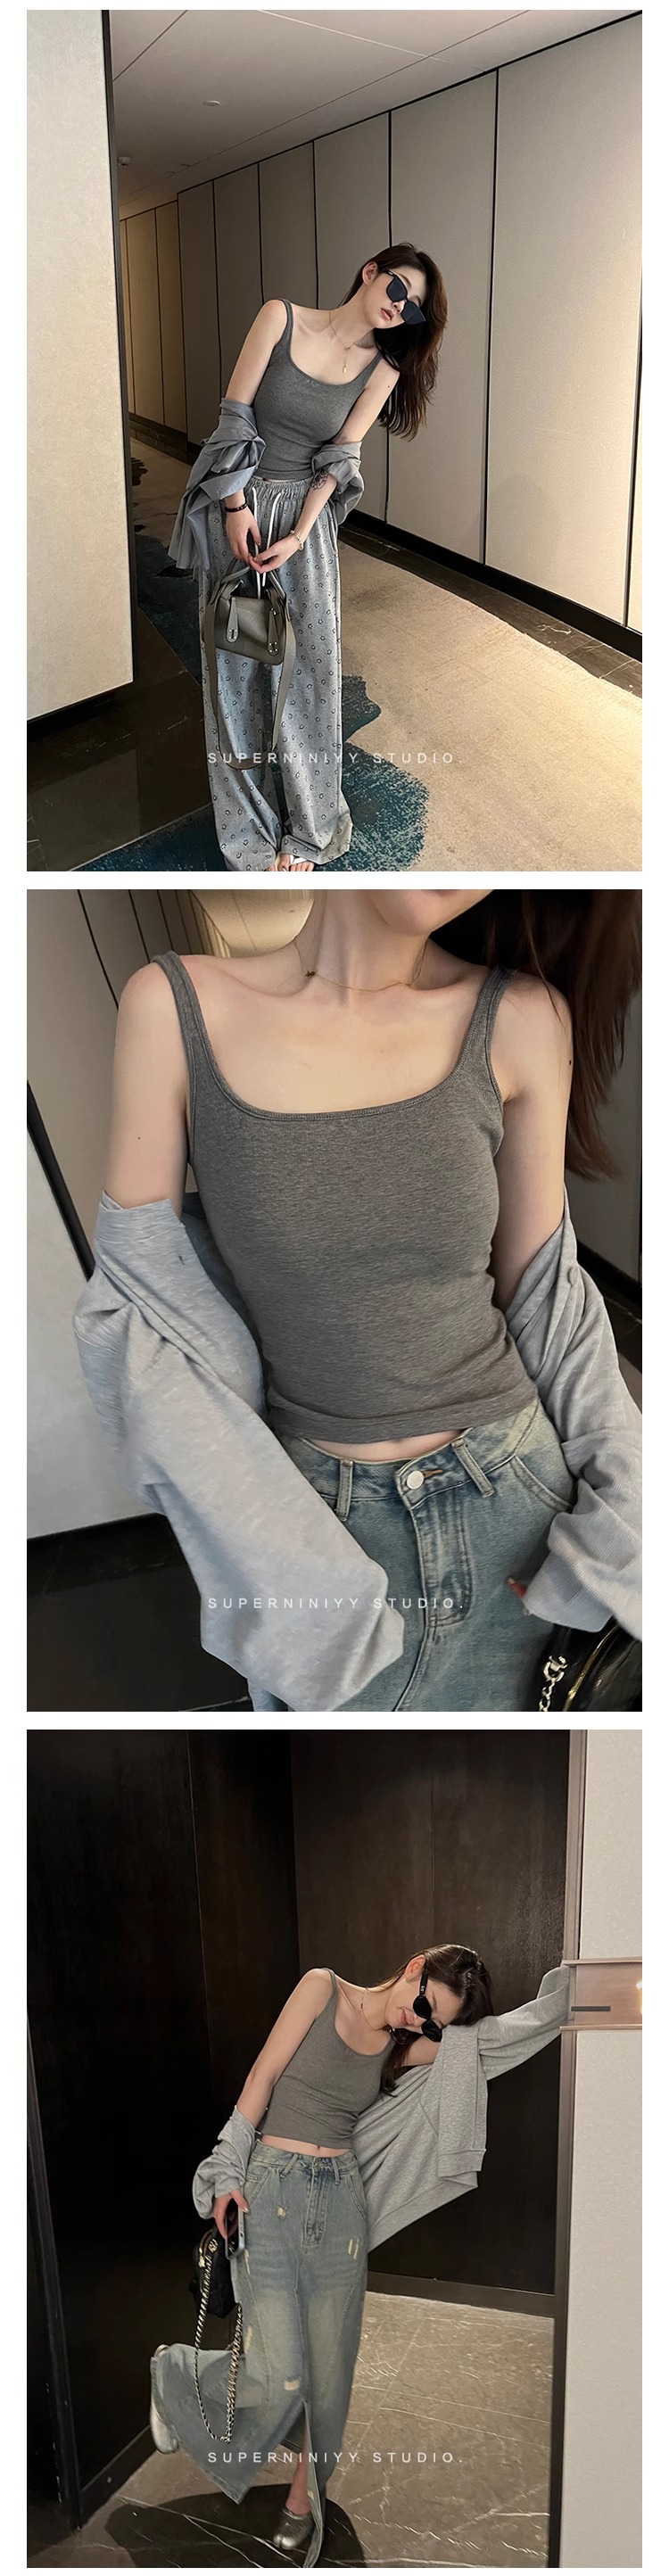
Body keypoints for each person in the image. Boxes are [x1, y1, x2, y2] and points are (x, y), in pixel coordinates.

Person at [103, 888, 641, 1713]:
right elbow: (140, 1320)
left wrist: (630, 1518)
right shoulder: (172, 1008)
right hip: (316, 1529)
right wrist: (288, 1569)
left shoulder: (524, 1018)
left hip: (518, 1513)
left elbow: (549, 1301)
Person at [149, 1947, 494, 2563]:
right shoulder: (321, 1988)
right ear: (415, 1966)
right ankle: (176, 2373)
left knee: (330, 2376)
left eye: (434, 2022)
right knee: (279, 2374)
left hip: (341, 2209)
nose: (420, 2021)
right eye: (424, 2004)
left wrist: (559, 2010)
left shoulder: (401, 2047)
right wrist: (227, 2170)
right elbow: (261, 2079)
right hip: (272, 2190)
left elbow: (483, 2045)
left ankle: (302, 2501)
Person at [168, 248, 447, 872]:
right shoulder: (280, 317)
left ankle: (312, 830)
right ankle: (249, 840)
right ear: (372, 271)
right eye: (398, 289)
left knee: (309, 676)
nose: (399, 308)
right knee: (234, 678)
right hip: (237, 508)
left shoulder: (383, 368)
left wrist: (298, 534)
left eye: (413, 309)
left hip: (303, 530)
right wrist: (235, 507)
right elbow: (234, 416)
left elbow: (341, 457)